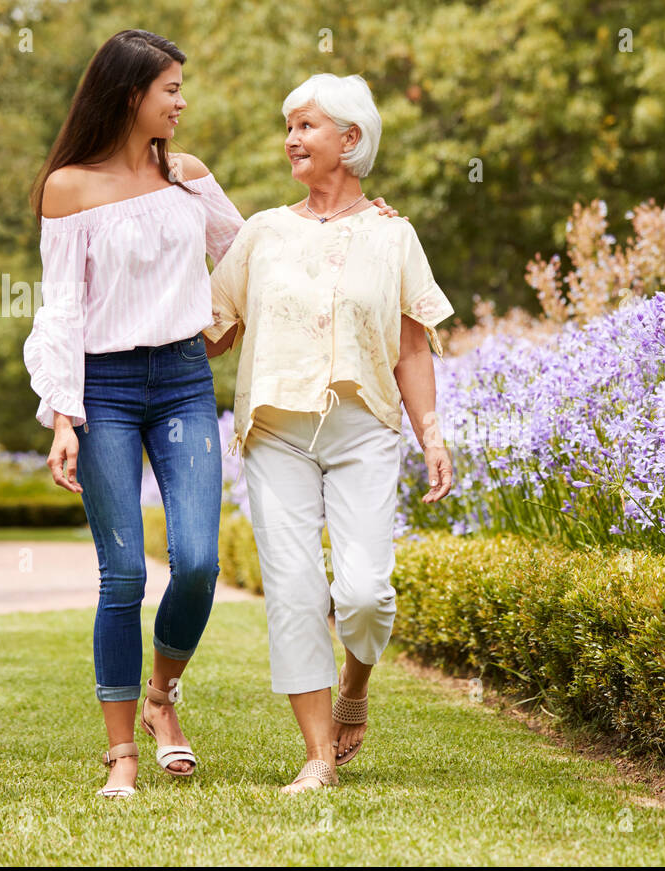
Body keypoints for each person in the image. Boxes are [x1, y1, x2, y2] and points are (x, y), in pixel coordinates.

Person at [23, 33, 399, 798]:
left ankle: (163, 696)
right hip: (105, 390)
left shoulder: (189, 178)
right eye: (169, 88)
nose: (181, 101)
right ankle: (122, 754)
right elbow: (59, 310)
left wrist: (357, 218)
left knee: (196, 563)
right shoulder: (67, 188)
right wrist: (62, 415)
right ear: (132, 94)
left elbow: (268, 251)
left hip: (186, 382)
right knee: (123, 572)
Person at [205, 73, 455, 793]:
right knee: (292, 589)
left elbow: (412, 347)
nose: (291, 138)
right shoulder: (263, 233)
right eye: (289, 125)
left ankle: (357, 682)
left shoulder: (392, 233)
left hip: (364, 430)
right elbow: (212, 332)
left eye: (307, 125)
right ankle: (317, 757)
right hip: (276, 433)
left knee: (367, 594)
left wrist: (431, 436)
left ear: (350, 139)